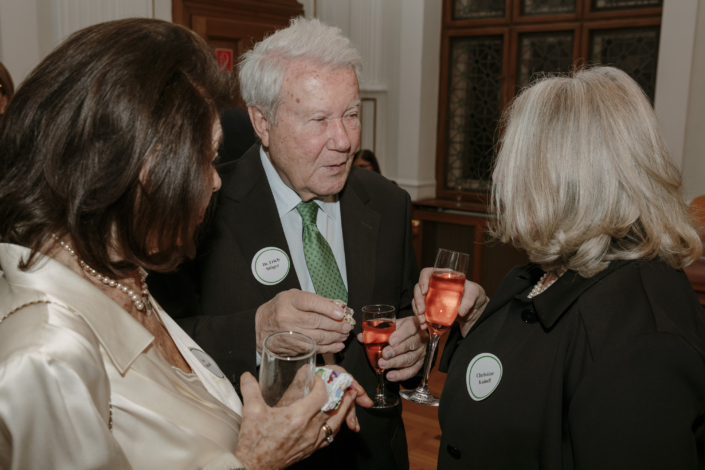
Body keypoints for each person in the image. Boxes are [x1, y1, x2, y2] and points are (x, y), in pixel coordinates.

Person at [0, 18, 370, 470]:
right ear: (145, 167)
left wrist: (277, 410)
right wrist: (258, 461)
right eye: (205, 158)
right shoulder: (44, 354)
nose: (215, 181)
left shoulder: (121, 273)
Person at [148, 17, 425, 470]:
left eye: (351, 114)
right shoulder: (201, 207)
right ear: (262, 122)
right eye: (318, 120)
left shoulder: (388, 203)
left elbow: (400, 315)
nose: (344, 141)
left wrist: (415, 345)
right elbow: (162, 345)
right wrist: (258, 329)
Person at [413, 66, 705, 469]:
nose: (497, 175)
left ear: (567, 178)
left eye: (513, 161)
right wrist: (480, 321)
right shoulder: (552, 271)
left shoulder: (640, 339)